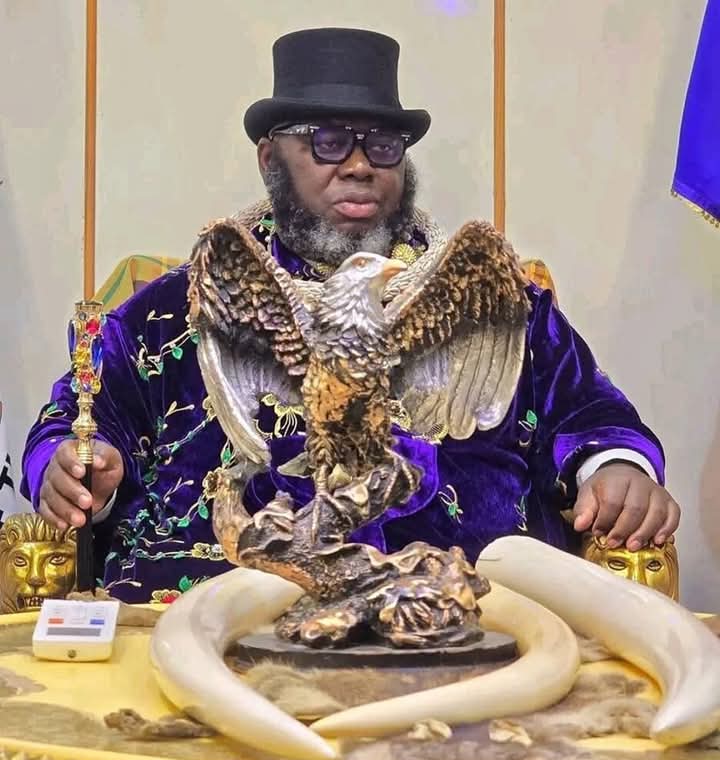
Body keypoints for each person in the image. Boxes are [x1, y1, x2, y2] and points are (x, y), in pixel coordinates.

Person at [20, 28, 679, 603]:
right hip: (217, 613)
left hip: (463, 615)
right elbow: (81, 418)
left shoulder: (499, 300)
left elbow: (588, 411)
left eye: (382, 144)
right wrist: (74, 467)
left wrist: (614, 468)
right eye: (328, 142)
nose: (360, 165)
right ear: (271, 159)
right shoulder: (174, 308)